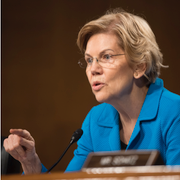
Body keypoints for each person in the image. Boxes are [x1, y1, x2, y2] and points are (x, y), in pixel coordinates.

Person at [3, 8, 180, 174]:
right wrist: (30, 162)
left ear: (140, 66)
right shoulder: (96, 119)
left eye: (106, 56)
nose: (93, 69)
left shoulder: (174, 113)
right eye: (89, 60)